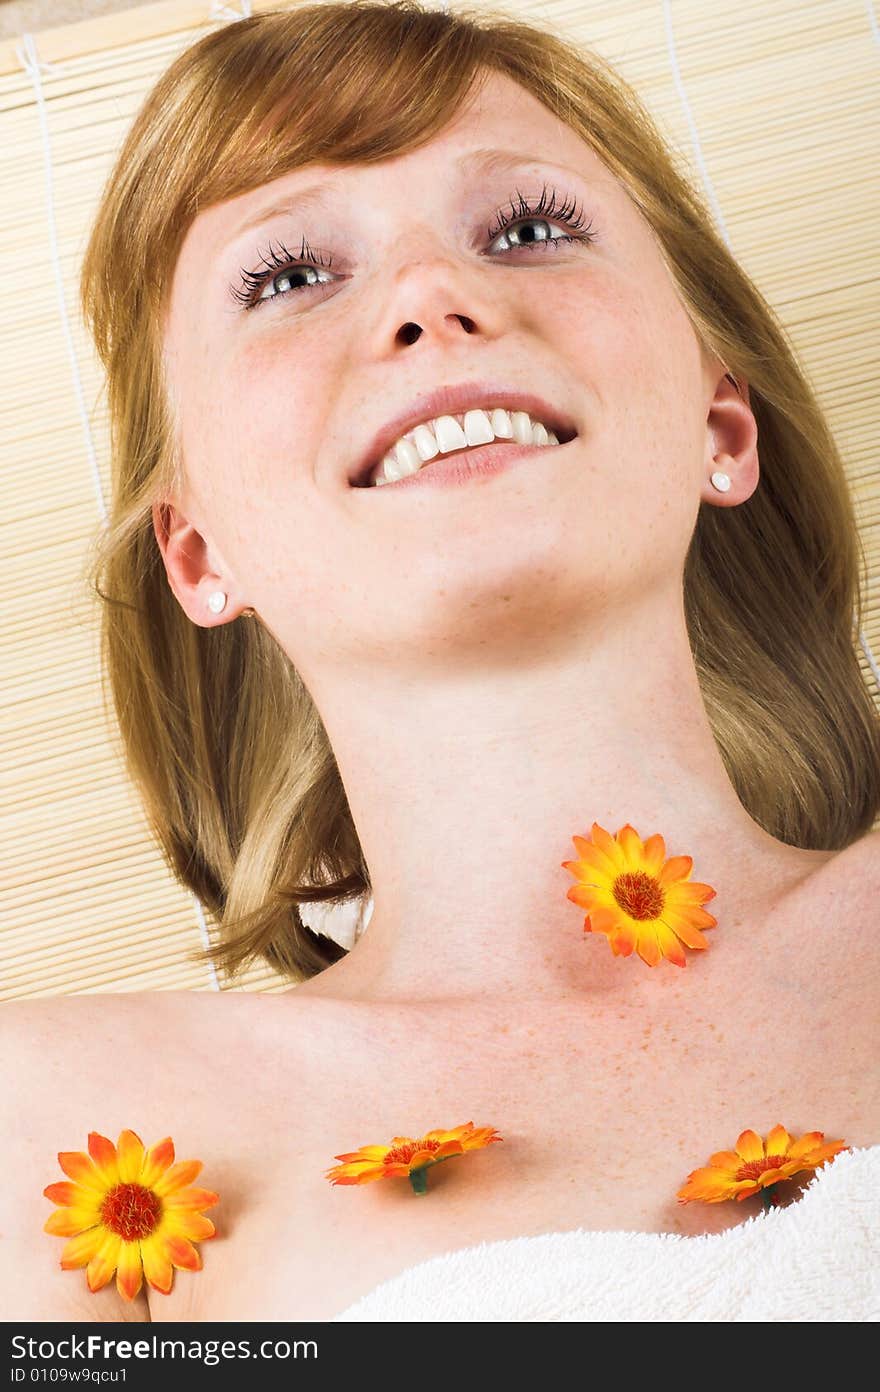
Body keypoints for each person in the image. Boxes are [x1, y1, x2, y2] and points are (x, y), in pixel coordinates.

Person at [4, 1, 878, 1323]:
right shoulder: (45, 1132)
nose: (430, 295)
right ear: (195, 553)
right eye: (288, 273)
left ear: (722, 421)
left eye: (528, 230)